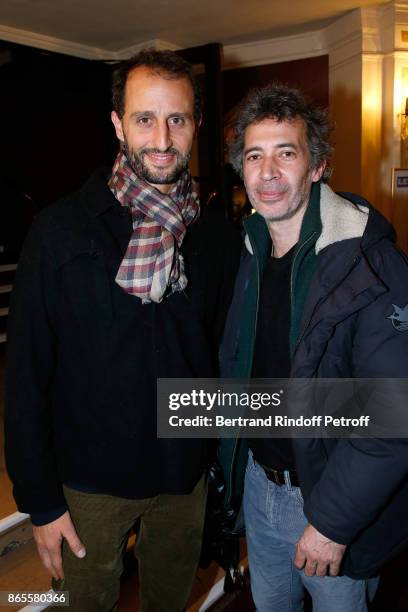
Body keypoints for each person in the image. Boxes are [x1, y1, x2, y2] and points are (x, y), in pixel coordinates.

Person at [5, 49, 240, 612]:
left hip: (184, 480)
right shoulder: (60, 231)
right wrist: (40, 502)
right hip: (87, 487)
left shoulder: (214, 234)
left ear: (196, 126)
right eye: (144, 119)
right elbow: (25, 376)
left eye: (177, 119)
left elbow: (221, 355)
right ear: (117, 124)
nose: (161, 138)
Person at [219, 82, 408, 611]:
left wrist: (331, 523)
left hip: (328, 501)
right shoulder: (251, 251)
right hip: (260, 486)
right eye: (254, 156)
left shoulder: (371, 265)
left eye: (287, 152)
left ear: (318, 166)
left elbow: (393, 415)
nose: (268, 172)